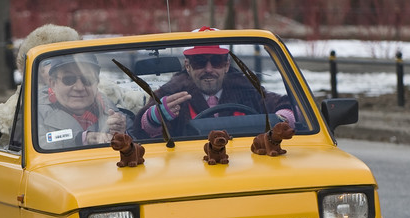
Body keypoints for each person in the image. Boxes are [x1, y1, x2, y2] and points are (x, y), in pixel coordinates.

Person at [135, 34, 294, 138]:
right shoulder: (170, 96)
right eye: (200, 62)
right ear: (188, 66)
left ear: (226, 65)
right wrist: (154, 117)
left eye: (216, 62)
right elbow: (141, 134)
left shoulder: (249, 91)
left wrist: (282, 119)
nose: (209, 69)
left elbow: (287, 105)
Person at [37, 52, 129, 149]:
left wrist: (122, 135)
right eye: (69, 79)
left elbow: (137, 150)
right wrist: (83, 139)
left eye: (87, 79)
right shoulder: (31, 114)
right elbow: (35, 147)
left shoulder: (117, 113)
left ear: (97, 83)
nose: (79, 87)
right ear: (53, 83)